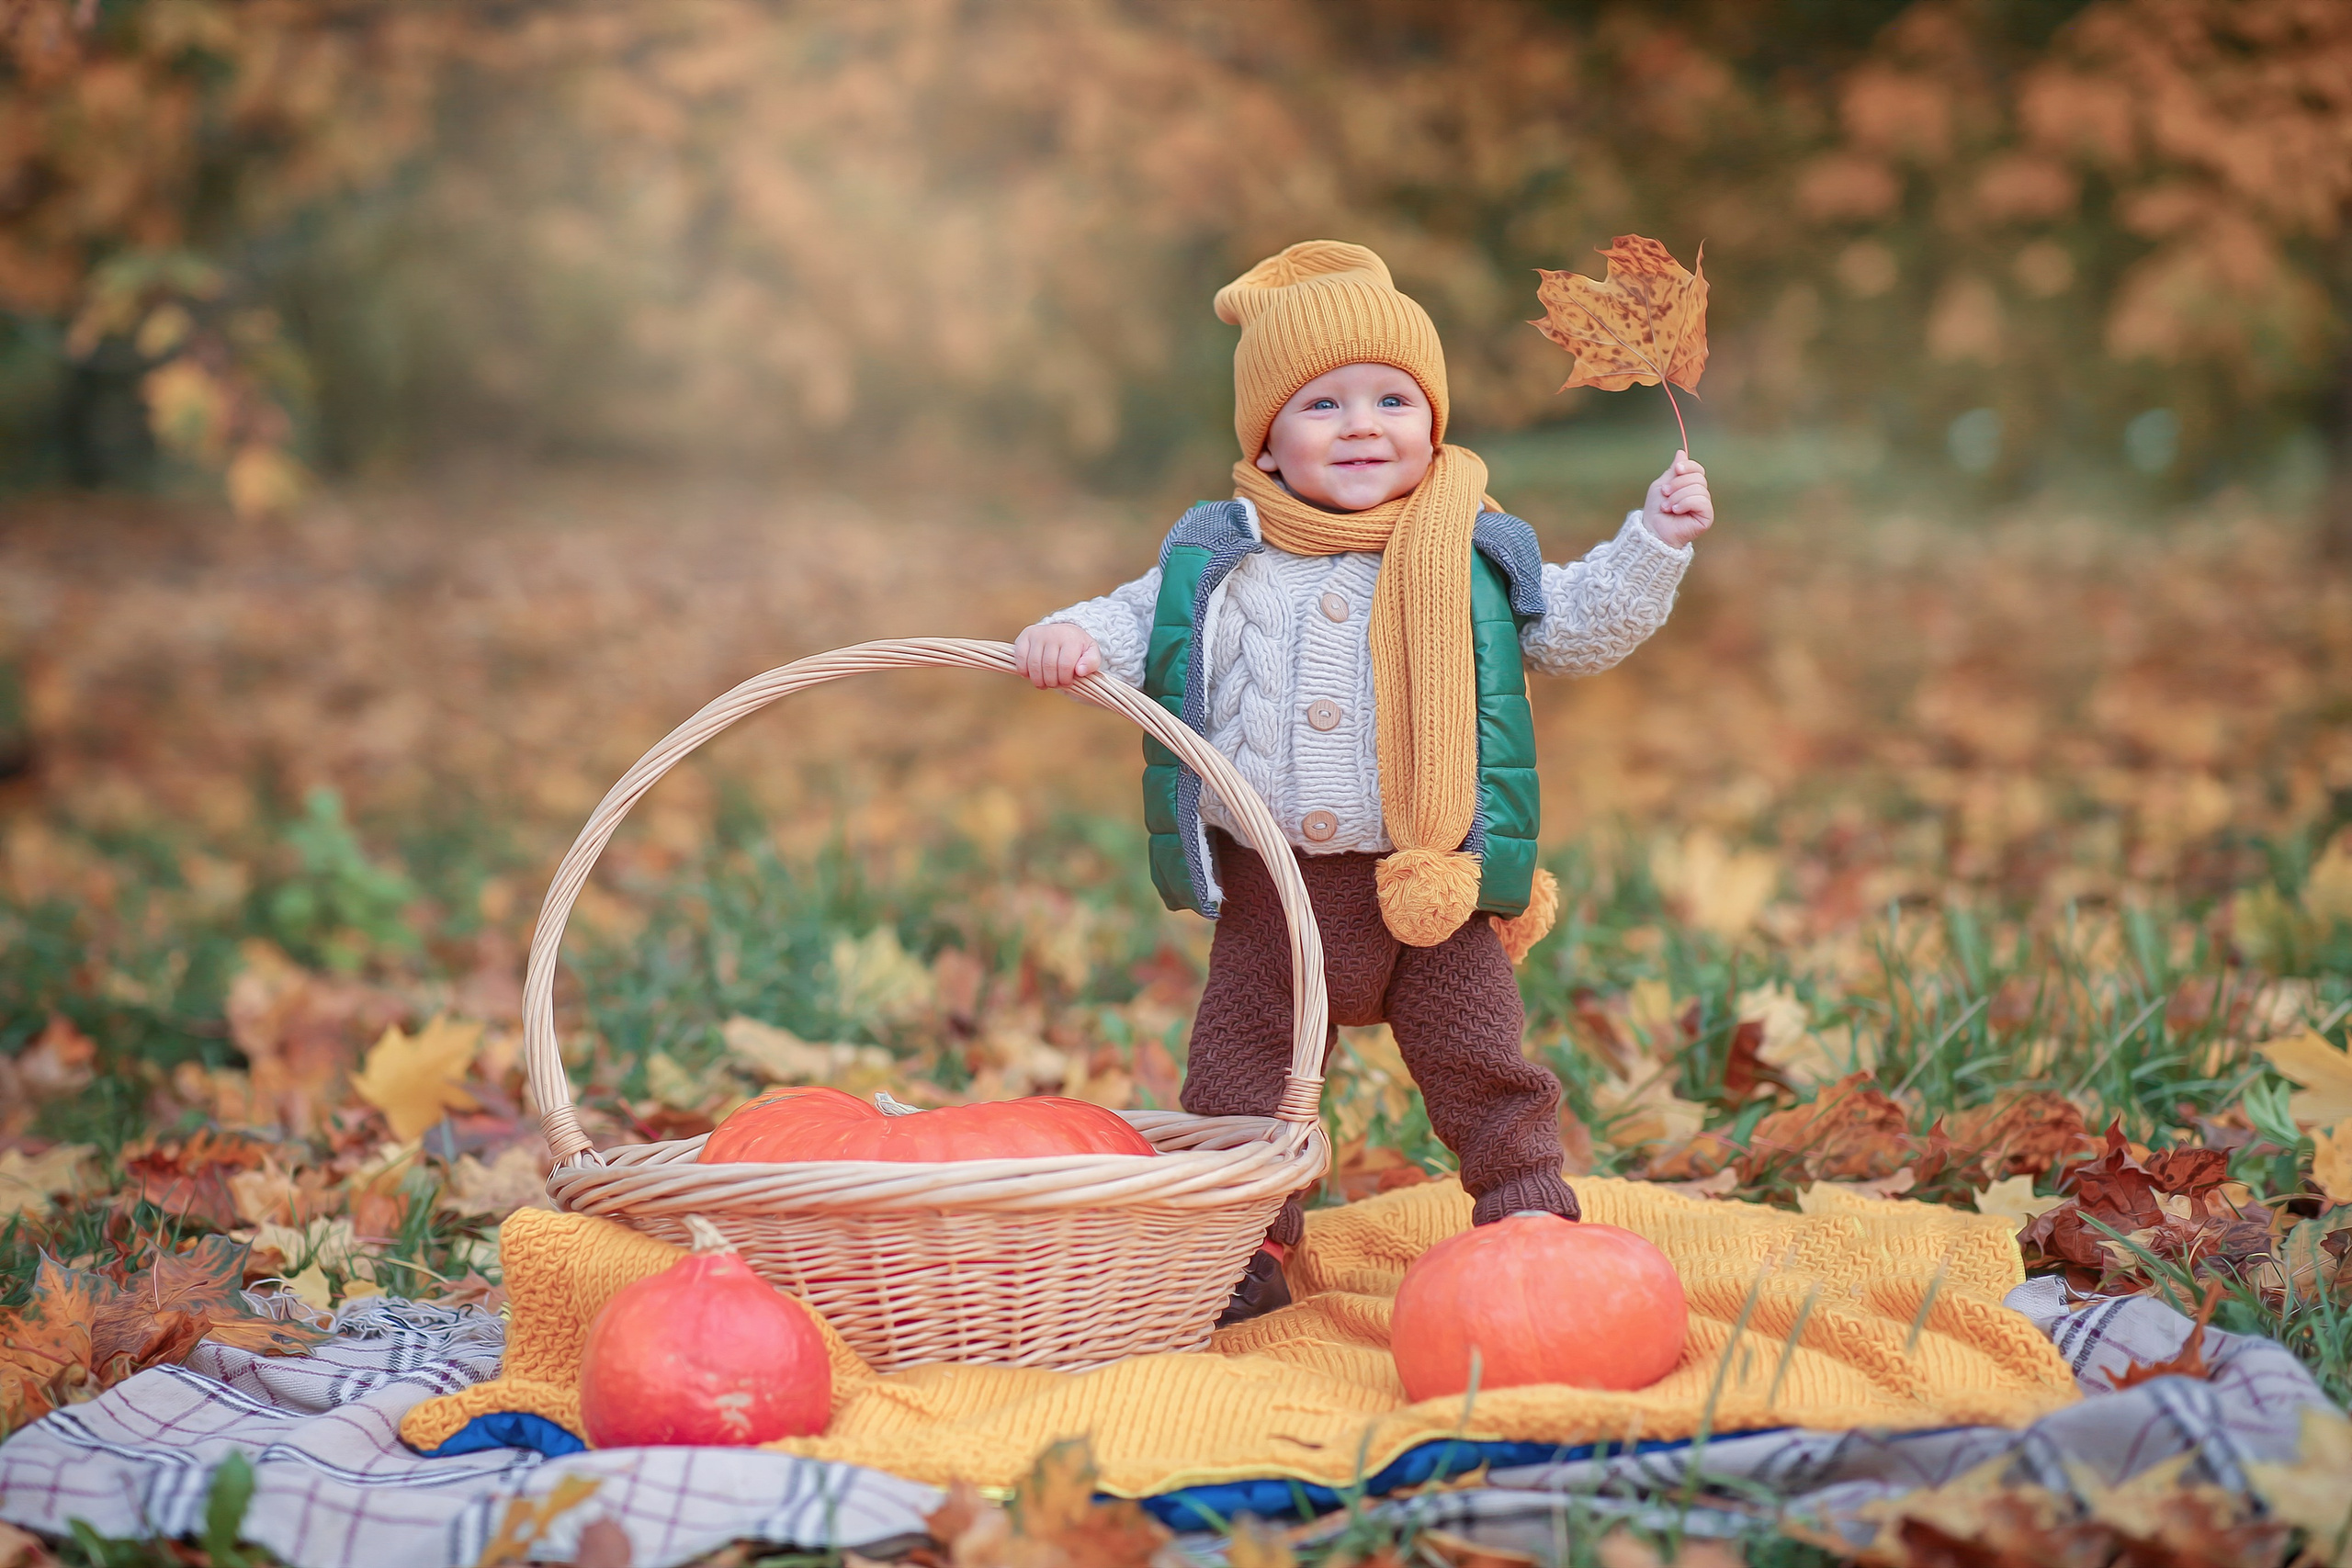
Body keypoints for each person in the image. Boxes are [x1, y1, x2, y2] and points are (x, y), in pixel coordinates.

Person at [1014, 241, 1713, 1323]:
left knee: (1484, 1063)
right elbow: (1132, 617)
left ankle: (1527, 1216)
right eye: (1321, 405)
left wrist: (1654, 542)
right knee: (1240, 1086)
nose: (1361, 426)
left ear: (1431, 421)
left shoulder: (1474, 546)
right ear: (1266, 437)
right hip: (1274, 889)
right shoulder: (1224, 551)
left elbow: (1577, 626)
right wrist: (1069, 638)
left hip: (1428, 885)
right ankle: (1239, 1249)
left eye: (1393, 398)